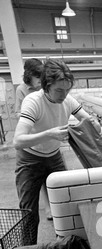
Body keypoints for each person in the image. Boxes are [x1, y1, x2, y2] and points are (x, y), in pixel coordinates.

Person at [13, 59, 101, 244]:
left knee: (66, 205)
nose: (64, 95)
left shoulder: (67, 100)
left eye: (67, 90)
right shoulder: (33, 102)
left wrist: (94, 123)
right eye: (59, 90)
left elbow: (91, 124)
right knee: (29, 212)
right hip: (29, 160)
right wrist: (49, 134)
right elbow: (18, 141)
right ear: (46, 86)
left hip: (54, 157)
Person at [15, 58, 53, 221]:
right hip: (31, 139)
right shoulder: (21, 90)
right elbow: (18, 113)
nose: (40, 83)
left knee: (50, 180)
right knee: (33, 182)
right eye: (38, 78)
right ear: (29, 76)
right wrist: (30, 117)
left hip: (49, 139)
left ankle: (51, 208)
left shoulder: (45, 86)